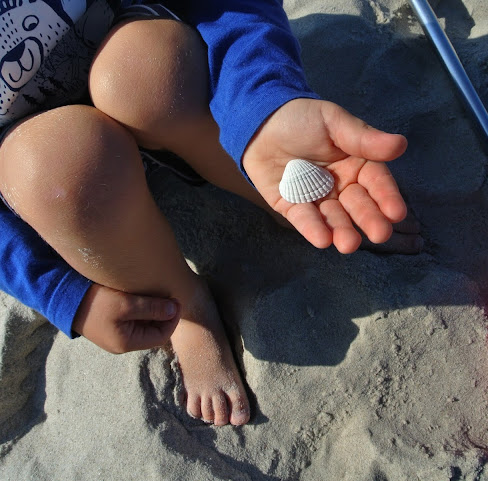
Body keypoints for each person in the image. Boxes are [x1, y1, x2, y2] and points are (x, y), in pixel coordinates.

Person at [0, 0, 413, 426]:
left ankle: (259, 182)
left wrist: (262, 104)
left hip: (158, 77)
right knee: (53, 171)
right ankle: (181, 302)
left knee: (144, 71)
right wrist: (63, 293)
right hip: (46, 162)